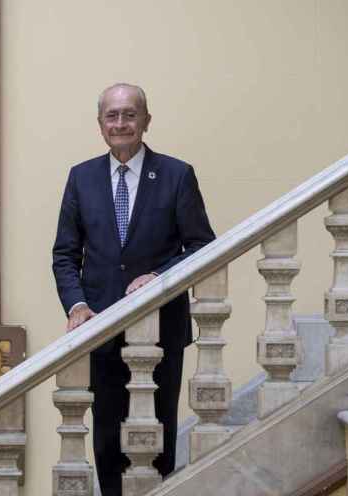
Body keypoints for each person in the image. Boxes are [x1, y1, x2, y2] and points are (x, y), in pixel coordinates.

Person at [52, 83, 215, 496]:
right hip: (101, 329)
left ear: (146, 120)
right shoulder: (81, 178)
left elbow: (202, 247)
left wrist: (160, 276)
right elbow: (65, 255)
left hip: (162, 332)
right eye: (112, 115)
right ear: (100, 124)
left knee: (157, 440)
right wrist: (77, 304)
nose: (121, 123)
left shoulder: (177, 175)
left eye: (130, 114)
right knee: (107, 443)